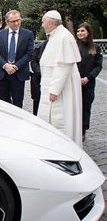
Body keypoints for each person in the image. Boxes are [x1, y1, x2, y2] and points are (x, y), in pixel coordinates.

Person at [38, 10, 83, 146]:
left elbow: (63, 66)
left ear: (50, 23)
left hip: (62, 89)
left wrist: (54, 90)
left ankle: (63, 147)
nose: (42, 24)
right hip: (55, 86)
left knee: (61, 118)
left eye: (43, 22)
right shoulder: (56, 35)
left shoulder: (63, 37)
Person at [0, 10, 34, 108]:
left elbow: (29, 54)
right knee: (4, 104)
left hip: (18, 74)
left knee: (18, 103)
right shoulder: (0, 34)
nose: (16, 23)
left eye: (18, 20)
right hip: (3, 74)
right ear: (7, 22)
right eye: (13, 21)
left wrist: (15, 67)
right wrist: (5, 65)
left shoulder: (28, 34)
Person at [76, 22, 103, 141]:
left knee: (86, 108)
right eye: (78, 31)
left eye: (82, 31)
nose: (80, 33)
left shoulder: (95, 48)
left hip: (88, 83)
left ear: (88, 32)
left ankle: (83, 131)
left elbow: (98, 66)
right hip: (74, 83)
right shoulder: (74, 46)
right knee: (74, 108)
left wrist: (88, 78)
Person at [30, 38, 48, 115]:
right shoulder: (38, 46)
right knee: (37, 102)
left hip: (50, 80)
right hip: (37, 79)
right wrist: (42, 73)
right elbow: (33, 62)